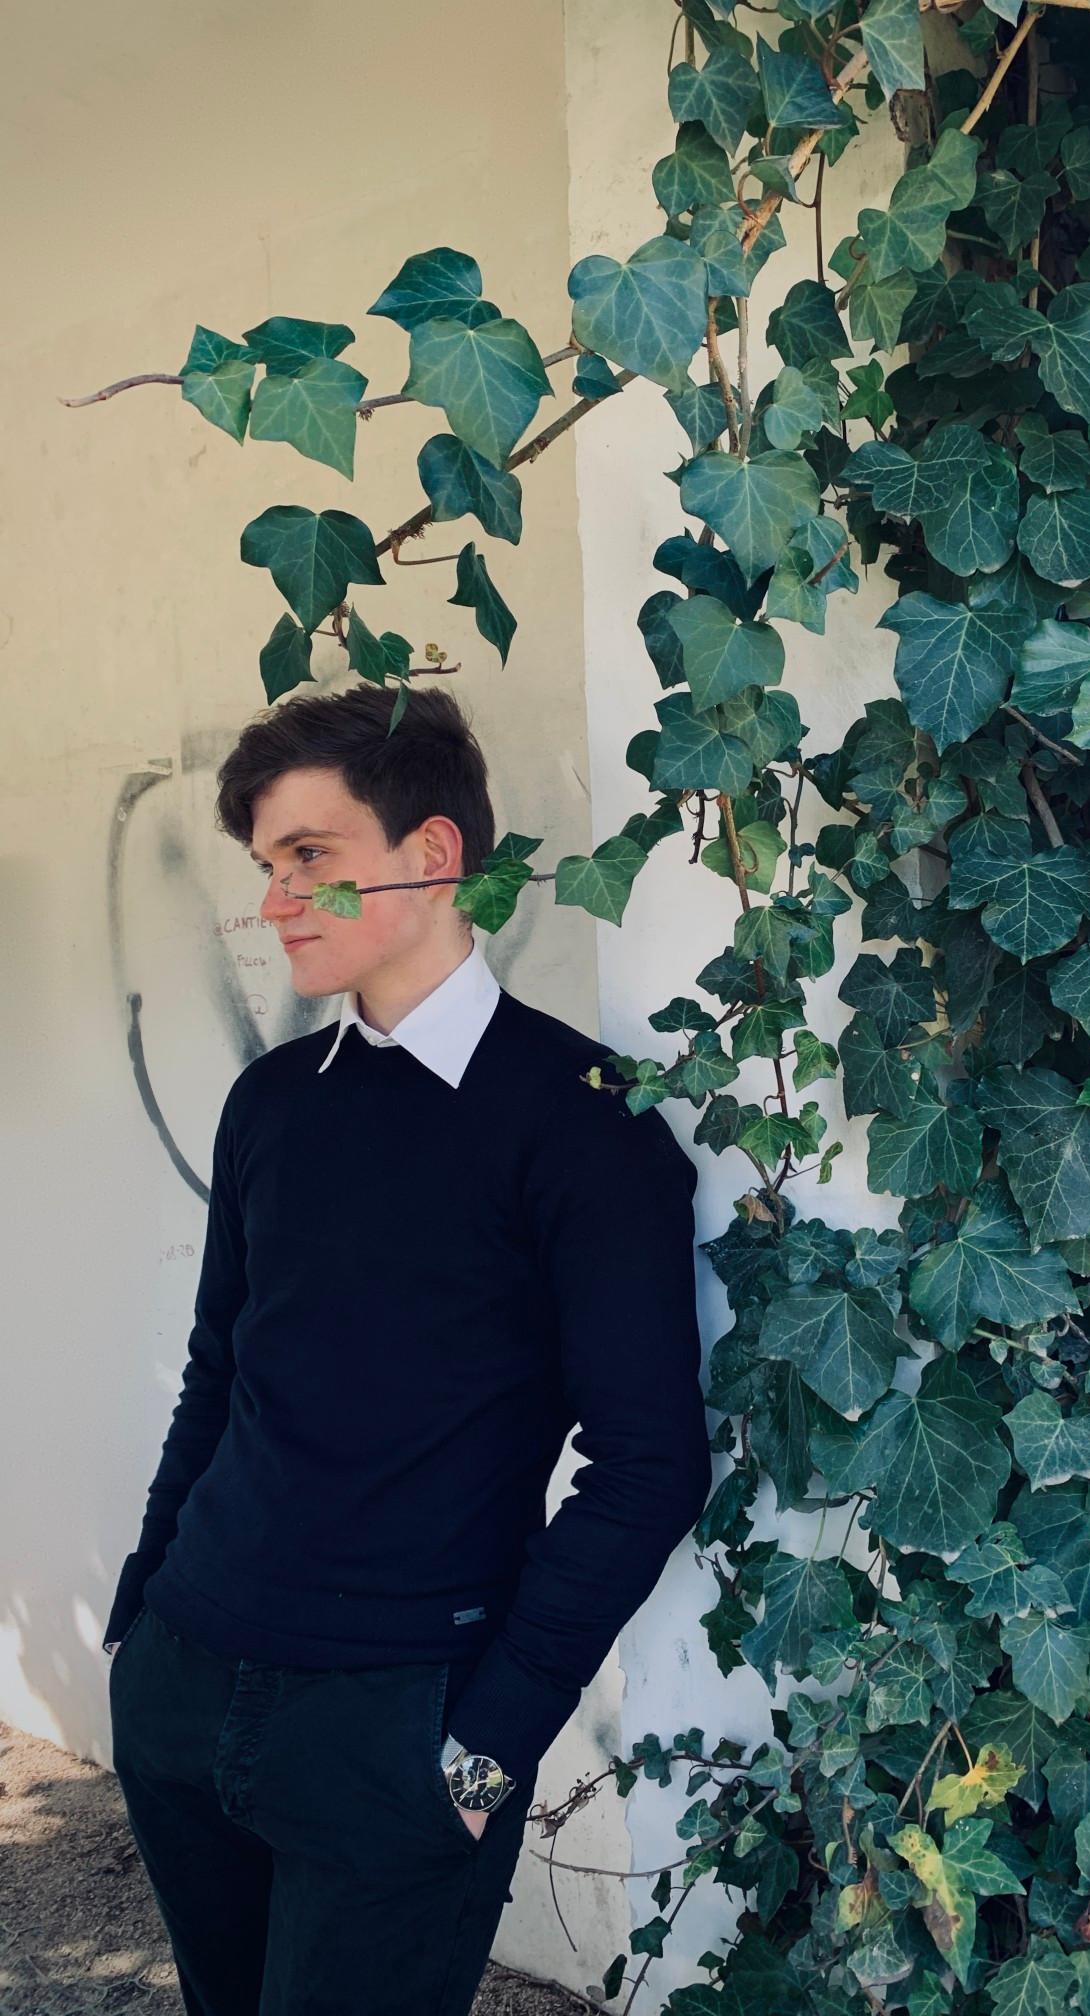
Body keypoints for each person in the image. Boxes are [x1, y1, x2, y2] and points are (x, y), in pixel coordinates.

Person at [102, 681, 713, 2016]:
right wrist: (142, 1618)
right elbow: (220, 1371)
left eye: (309, 856)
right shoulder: (271, 1105)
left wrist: (488, 1748)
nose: (276, 901)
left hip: (397, 1722)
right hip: (186, 1679)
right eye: (266, 866)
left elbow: (650, 1465)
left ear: (431, 853)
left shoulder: (583, 1122)